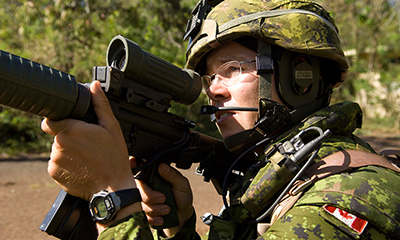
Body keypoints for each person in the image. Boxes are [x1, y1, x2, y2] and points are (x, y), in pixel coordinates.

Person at [41, 0, 400, 239]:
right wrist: (179, 231)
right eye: (210, 77)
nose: (213, 90)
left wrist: (113, 198)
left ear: (299, 78)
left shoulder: (342, 199)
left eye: (231, 70)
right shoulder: (288, 174)